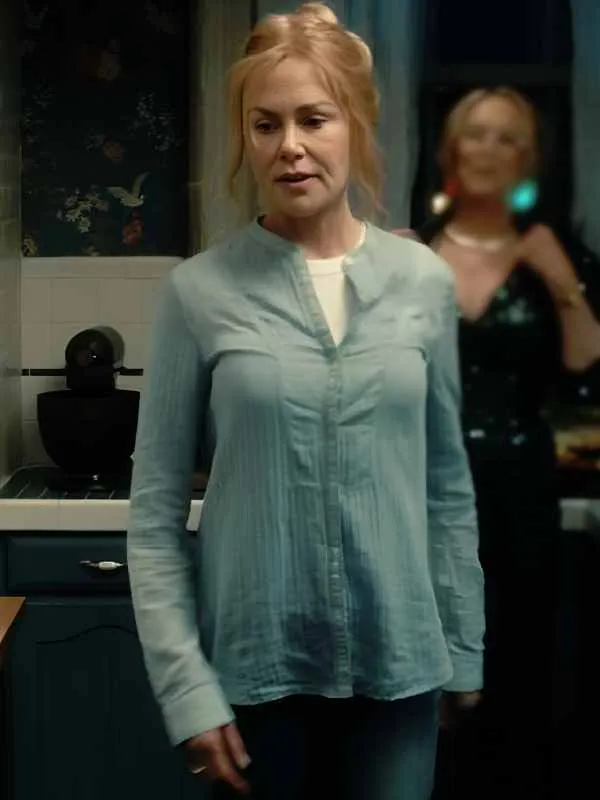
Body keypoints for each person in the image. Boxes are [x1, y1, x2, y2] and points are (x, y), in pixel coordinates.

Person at [127, 5, 485, 799]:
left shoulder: (423, 282)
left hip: (400, 672)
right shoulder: (197, 292)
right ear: (246, 139)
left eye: (314, 119)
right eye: (266, 125)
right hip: (253, 678)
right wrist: (186, 691)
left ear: (355, 125)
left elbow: (446, 487)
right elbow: (153, 517)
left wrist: (464, 647)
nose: (289, 145)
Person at [409, 87, 600, 800]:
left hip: (521, 490)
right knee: (425, 668)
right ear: (450, 150)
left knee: (516, 675)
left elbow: (584, 361)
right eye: (476, 134)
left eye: (507, 138)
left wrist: (563, 282)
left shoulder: (554, 250)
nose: (488, 150)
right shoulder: (413, 252)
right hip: (421, 485)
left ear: (528, 161)